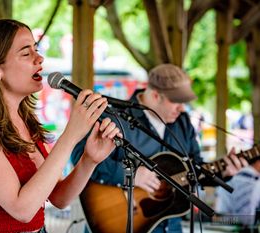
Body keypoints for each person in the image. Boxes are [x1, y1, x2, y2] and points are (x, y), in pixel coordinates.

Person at [0, 19, 122, 233]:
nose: (39, 58)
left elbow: (59, 197)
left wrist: (89, 160)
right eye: (26, 53)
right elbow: (22, 210)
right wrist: (71, 135)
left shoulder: (26, 121)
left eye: (36, 49)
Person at [71, 63, 248, 233]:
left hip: (171, 224)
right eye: (176, 101)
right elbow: (79, 156)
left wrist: (224, 172)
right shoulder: (115, 116)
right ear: (156, 95)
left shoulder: (183, 123)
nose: (182, 108)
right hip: (121, 222)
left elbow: (194, 171)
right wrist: (129, 174)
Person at [215, 158, 260, 226]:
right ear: (258, 163)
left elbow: (216, 217)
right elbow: (246, 220)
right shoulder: (256, 181)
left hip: (222, 226)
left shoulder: (226, 178)